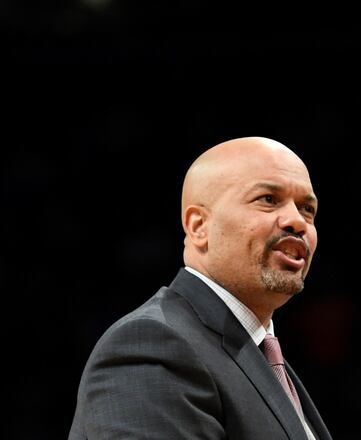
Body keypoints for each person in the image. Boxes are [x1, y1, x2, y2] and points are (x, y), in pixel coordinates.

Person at [69, 137, 331, 439]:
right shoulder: (151, 345)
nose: (297, 221)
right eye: (268, 199)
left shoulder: (263, 356)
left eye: (307, 209)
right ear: (198, 226)